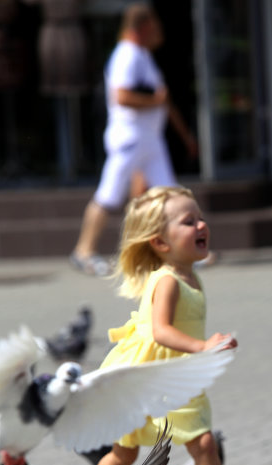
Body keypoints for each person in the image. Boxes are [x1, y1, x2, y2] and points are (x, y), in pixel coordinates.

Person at [78, 185, 261, 465]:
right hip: (150, 377)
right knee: (123, 452)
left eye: (201, 218)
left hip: (177, 379)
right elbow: (161, 331)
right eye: (188, 221)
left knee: (204, 443)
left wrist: (207, 347)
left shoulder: (191, 275)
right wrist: (203, 347)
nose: (201, 226)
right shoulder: (167, 280)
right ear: (161, 243)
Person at [70, 3, 196, 276]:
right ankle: (84, 251)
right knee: (109, 194)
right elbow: (123, 97)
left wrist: (184, 135)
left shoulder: (141, 55)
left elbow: (164, 102)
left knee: (169, 195)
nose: (160, 32)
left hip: (149, 139)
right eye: (156, 25)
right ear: (144, 27)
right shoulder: (127, 56)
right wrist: (154, 101)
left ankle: (183, 251)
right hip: (130, 138)